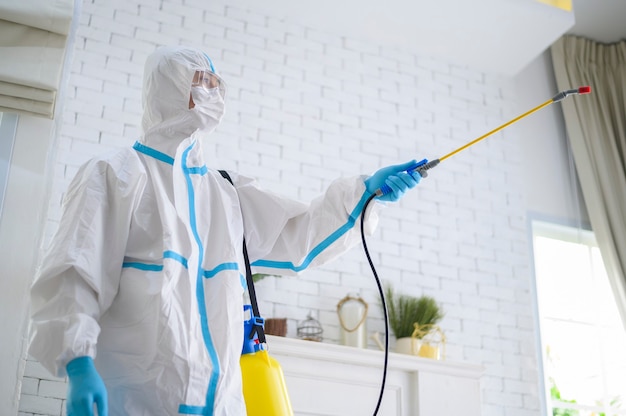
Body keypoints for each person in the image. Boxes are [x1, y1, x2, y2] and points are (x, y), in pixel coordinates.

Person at [28, 45, 422, 416]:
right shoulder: (116, 173)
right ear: (168, 86)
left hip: (220, 404)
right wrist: (78, 364)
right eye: (200, 80)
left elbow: (301, 238)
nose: (211, 92)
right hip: (134, 400)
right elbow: (74, 273)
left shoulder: (226, 194)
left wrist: (366, 192)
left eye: (216, 84)